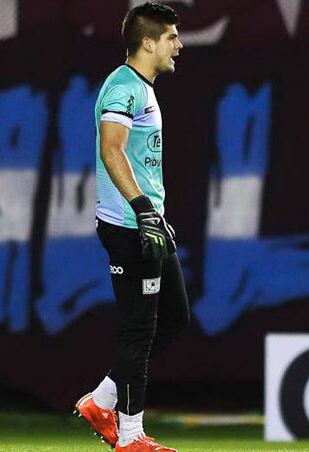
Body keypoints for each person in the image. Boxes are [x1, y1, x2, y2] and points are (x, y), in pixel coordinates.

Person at [74, 3, 189, 452]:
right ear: (148, 41)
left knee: (174, 317)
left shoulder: (141, 87)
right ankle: (131, 437)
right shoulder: (124, 87)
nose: (178, 45)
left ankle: (102, 401)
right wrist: (143, 209)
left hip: (148, 221)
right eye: (172, 37)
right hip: (130, 225)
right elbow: (112, 149)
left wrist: (152, 213)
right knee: (138, 331)